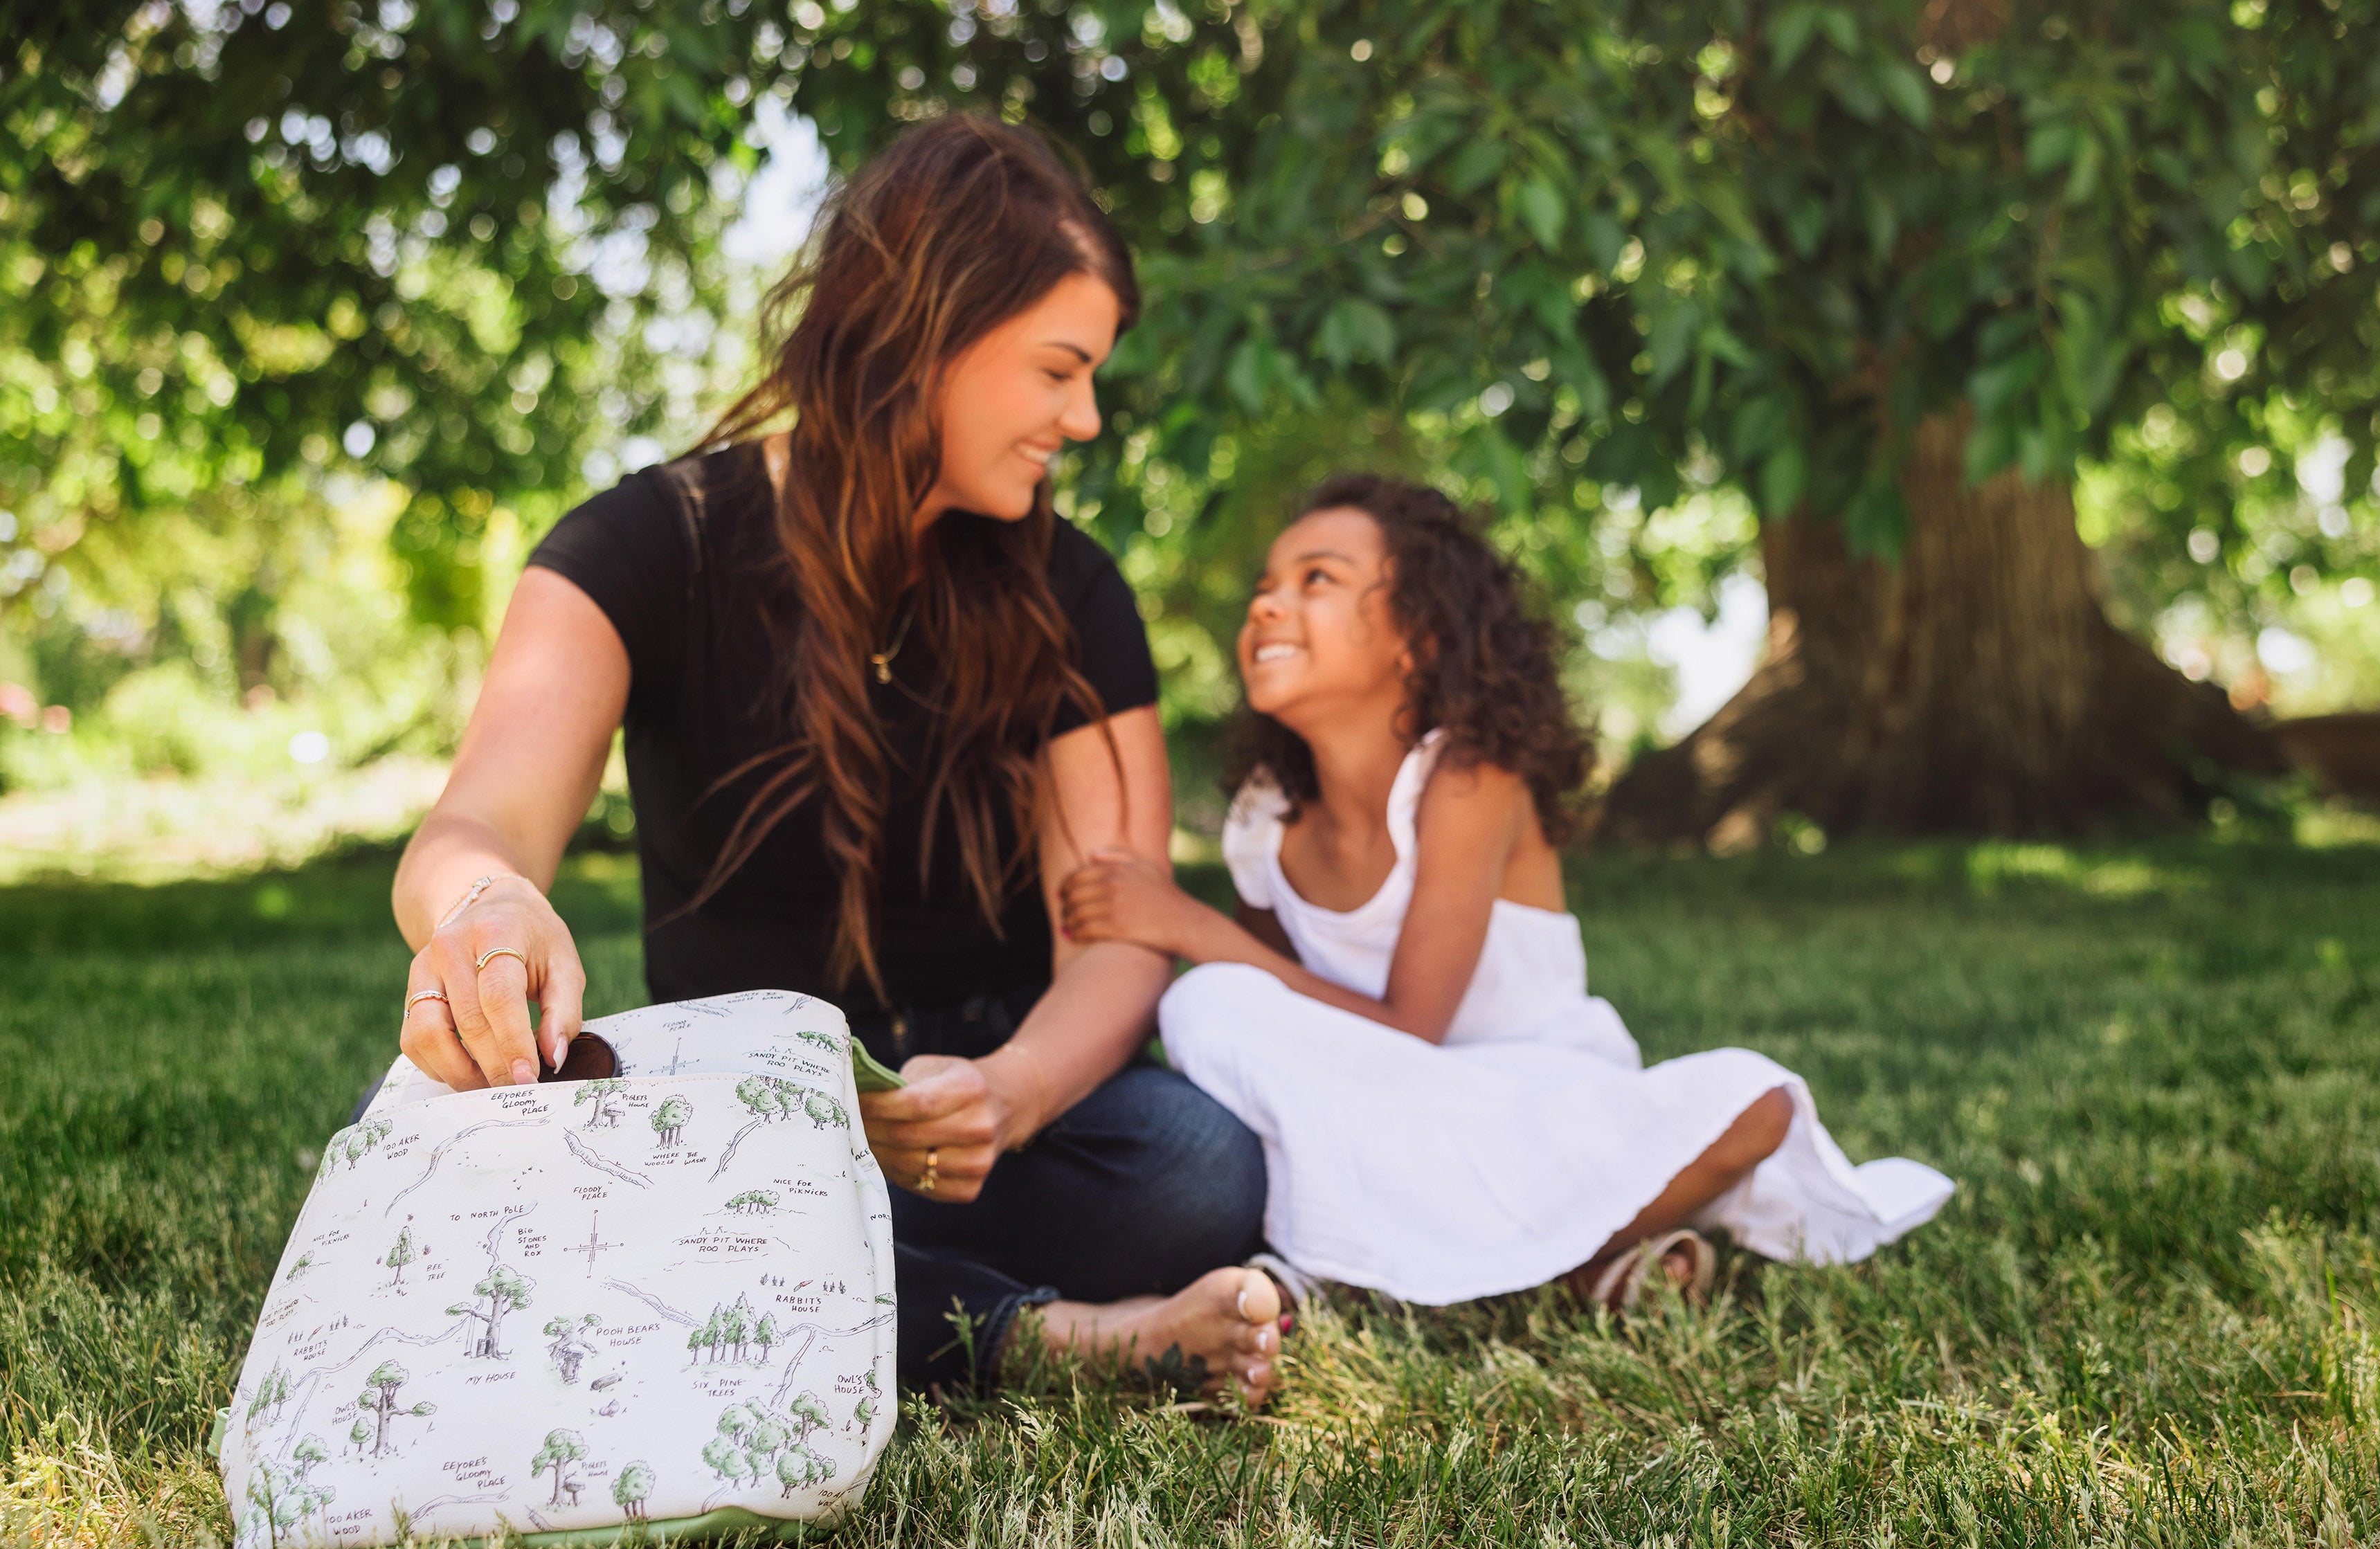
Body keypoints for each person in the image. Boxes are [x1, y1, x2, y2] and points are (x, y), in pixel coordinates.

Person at [386, 116, 1281, 1401]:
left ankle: (841, 1293)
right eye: (1059, 368)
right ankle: (1049, 1336)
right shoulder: (646, 545)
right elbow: (480, 826)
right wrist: (488, 910)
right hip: (743, 1100)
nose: (1082, 418)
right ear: (929, 336)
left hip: (984, 1092)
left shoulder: (1071, 591)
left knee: (1197, 1167)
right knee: (632, 1194)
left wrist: (1012, 1093)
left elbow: (1118, 935)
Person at [1058, 475, 1954, 1309]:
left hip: (1532, 1100)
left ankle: (1482, 1260)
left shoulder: (1467, 777)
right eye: (1266, 583)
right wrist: (1207, 955)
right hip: (1396, 1121)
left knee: (1756, 1100)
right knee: (1211, 1006)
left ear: (1423, 634)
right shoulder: (1265, 820)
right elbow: (1288, 1035)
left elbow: (1414, 1028)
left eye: (1317, 579)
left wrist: (1187, 923)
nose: (1267, 602)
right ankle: (1558, 1260)